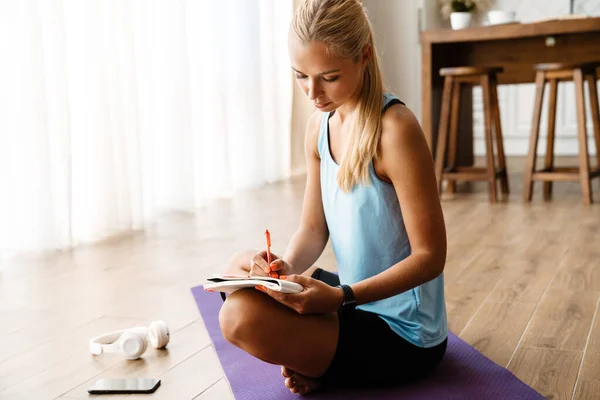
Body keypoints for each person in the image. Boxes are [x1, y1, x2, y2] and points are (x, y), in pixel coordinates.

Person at [218, 0, 448, 395]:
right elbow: (312, 229)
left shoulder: (396, 130)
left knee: (238, 318)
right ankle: (324, 363)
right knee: (239, 268)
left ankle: (324, 366)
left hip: (403, 332)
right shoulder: (319, 127)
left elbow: (431, 256)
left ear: (364, 56)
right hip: (349, 301)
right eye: (301, 76)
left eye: (328, 77)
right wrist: (283, 268)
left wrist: (342, 296)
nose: (313, 92)